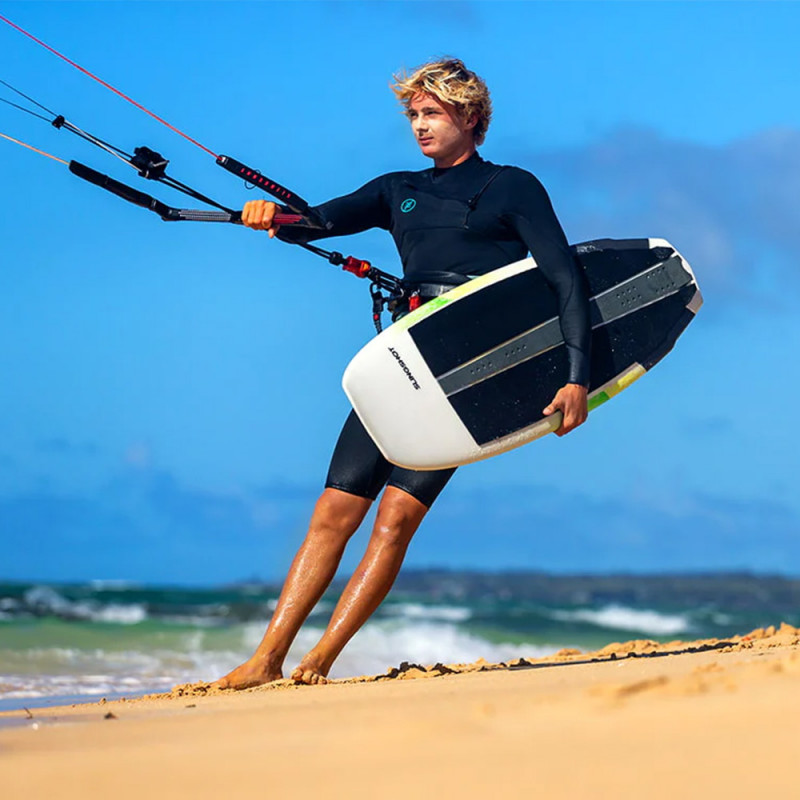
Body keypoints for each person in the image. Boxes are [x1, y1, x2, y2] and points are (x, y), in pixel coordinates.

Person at [215, 58, 590, 689]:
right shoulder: (397, 189)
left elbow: (564, 279)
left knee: (395, 519)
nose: (419, 125)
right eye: (413, 114)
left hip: (470, 372)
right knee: (333, 510)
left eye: (432, 113)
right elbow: (318, 221)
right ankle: (266, 659)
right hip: (406, 361)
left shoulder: (513, 187)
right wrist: (270, 216)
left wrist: (575, 375)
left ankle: (318, 662)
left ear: (470, 117)